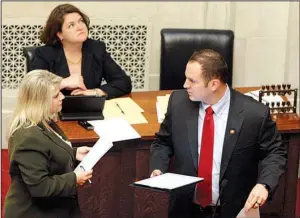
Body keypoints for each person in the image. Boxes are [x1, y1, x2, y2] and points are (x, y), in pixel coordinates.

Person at [150, 49, 287, 218]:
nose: (185, 85)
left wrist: (264, 185)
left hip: (232, 210)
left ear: (214, 84)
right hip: (185, 208)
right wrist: (158, 167)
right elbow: (163, 142)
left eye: (192, 81)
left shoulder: (254, 114)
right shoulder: (178, 103)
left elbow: (275, 152)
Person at [4, 70, 93, 218]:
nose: (62, 97)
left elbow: (47, 151)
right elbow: (40, 187)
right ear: (40, 100)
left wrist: (73, 152)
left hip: (56, 207)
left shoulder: (43, 120)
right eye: (56, 95)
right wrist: (74, 179)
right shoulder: (28, 137)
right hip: (34, 212)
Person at [31, 3, 132, 99]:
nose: (80, 27)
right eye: (71, 25)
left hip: (89, 110)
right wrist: (63, 83)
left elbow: (124, 82)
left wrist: (96, 92)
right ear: (60, 34)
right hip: (56, 112)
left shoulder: (96, 48)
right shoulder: (44, 54)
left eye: (81, 21)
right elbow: (32, 89)